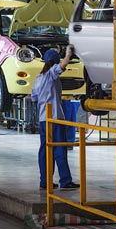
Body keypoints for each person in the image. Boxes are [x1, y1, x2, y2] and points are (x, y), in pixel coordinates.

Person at [31, 47, 79, 190]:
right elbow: (62, 66)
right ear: (55, 62)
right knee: (59, 149)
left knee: (45, 150)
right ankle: (65, 180)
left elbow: (33, 98)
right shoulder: (51, 74)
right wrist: (69, 54)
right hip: (54, 118)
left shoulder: (38, 79)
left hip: (43, 119)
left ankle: (45, 181)